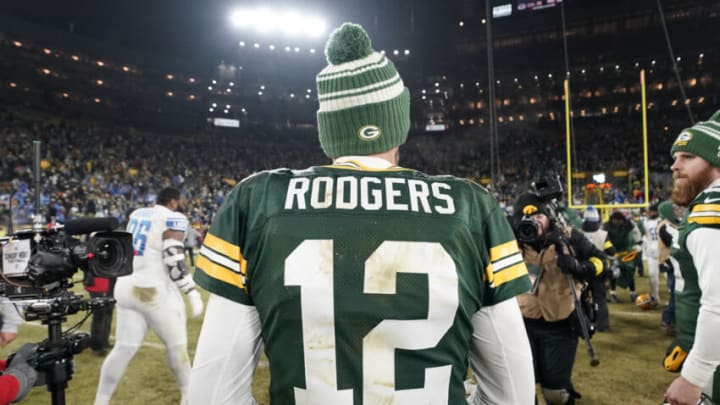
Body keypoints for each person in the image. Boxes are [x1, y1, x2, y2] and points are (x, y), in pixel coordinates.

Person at [189, 22, 535, 405]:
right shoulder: (471, 206)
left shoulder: (258, 200)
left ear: (328, 131)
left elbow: (211, 396)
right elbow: (513, 396)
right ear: (398, 122)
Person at [94, 187, 204, 405]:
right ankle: (188, 397)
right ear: (173, 202)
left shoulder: (137, 214)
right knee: (177, 348)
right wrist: (191, 291)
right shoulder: (174, 218)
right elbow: (173, 260)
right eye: (180, 200)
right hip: (152, 290)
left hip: (125, 285)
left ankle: (101, 401)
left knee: (123, 347)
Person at [513, 193, 606, 404]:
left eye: (538, 215)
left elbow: (601, 262)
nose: (533, 222)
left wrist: (580, 267)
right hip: (521, 324)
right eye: (526, 218)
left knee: (556, 392)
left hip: (561, 324)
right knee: (521, 388)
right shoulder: (509, 241)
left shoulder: (569, 237)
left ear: (548, 216)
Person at [663, 111, 720, 405]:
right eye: (675, 157)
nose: (675, 166)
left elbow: (719, 302)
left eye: (687, 157)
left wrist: (694, 376)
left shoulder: (713, 205)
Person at [580, 205, 615, 332]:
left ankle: (584, 323)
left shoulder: (578, 233)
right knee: (600, 299)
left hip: (582, 270)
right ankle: (603, 325)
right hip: (599, 271)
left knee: (581, 298)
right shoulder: (603, 234)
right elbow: (611, 250)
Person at [657, 200, 683, 336]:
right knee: (675, 293)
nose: (678, 211)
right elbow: (675, 242)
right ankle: (667, 321)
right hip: (670, 263)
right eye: (674, 209)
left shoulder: (672, 224)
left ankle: (670, 321)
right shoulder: (665, 226)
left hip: (673, 263)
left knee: (676, 293)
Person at [603, 211, 642, 303]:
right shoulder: (606, 226)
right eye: (615, 220)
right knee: (613, 273)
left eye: (619, 220)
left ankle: (633, 293)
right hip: (612, 251)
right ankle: (613, 293)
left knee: (630, 272)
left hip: (626, 251)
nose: (617, 222)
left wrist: (639, 243)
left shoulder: (629, 224)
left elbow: (637, 233)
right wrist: (607, 250)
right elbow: (603, 238)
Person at [82, 273, 116, 356]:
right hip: (97, 280)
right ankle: (96, 346)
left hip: (110, 279)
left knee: (108, 311)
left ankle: (104, 342)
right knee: (99, 313)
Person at [641, 203, 661, 306]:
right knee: (653, 275)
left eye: (650, 211)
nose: (648, 213)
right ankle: (655, 297)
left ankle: (673, 297)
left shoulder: (662, 220)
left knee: (670, 276)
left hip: (663, 252)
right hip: (651, 252)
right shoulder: (645, 222)